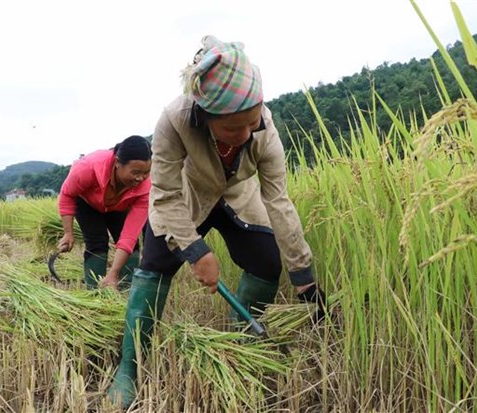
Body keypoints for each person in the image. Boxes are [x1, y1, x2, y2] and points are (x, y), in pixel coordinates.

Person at [107, 36, 326, 408]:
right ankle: (130, 366)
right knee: (155, 263)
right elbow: (164, 193)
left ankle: (240, 343)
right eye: (230, 129)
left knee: (267, 261)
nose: (243, 135)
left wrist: (304, 276)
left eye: (251, 124)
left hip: (238, 195)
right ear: (204, 117)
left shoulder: (266, 132)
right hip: (187, 197)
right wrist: (196, 251)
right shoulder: (174, 120)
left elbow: (279, 202)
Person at [57, 135, 152, 290]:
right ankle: (94, 293)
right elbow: (67, 195)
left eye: (146, 172)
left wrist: (113, 273)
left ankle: (125, 290)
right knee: (97, 242)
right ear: (117, 163)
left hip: (119, 205)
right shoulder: (87, 168)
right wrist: (68, 233)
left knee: (132, 245)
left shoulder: (144, 189)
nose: (140, 178)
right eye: (135, 172)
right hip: (87, 203)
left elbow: (129, 236)